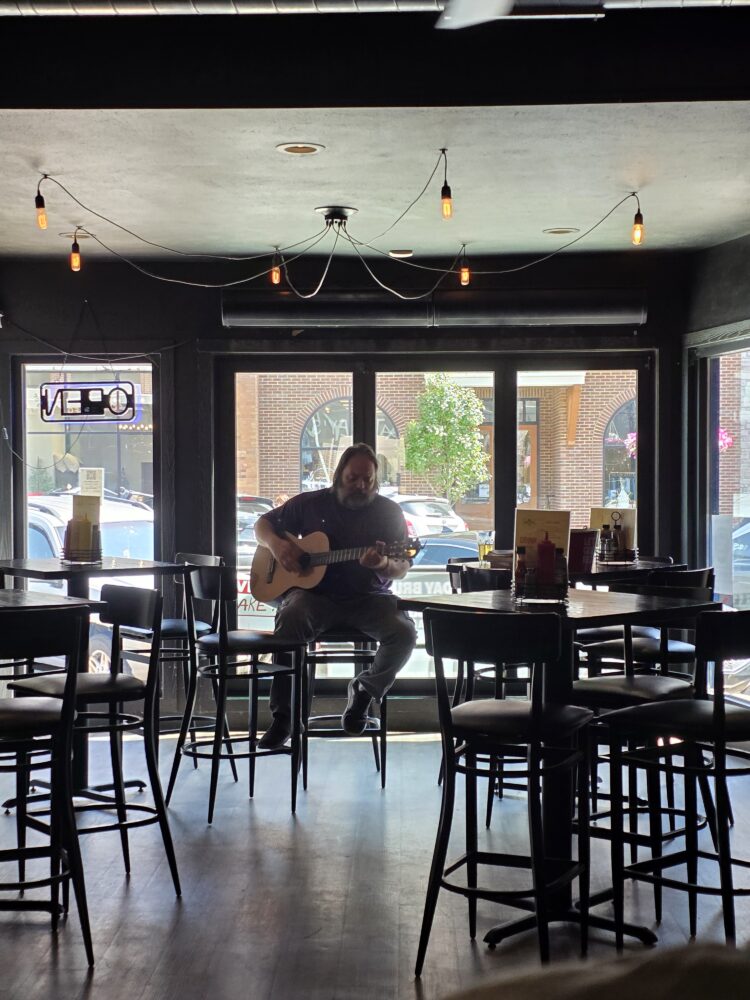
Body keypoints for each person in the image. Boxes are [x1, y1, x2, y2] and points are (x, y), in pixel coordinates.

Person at [254, 443, 416, 749]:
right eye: (353, 478)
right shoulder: (310, 504)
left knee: (404, 633)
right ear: (339, 474)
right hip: (315, 598)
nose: (361, 485)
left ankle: (364, 691)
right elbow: (261, 525)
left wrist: (382, 564)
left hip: (369, 598)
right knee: (290, 618)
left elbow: (402, 567)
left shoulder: (388, 512)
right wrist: (277, 545)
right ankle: (285, 717)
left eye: (367, 479)